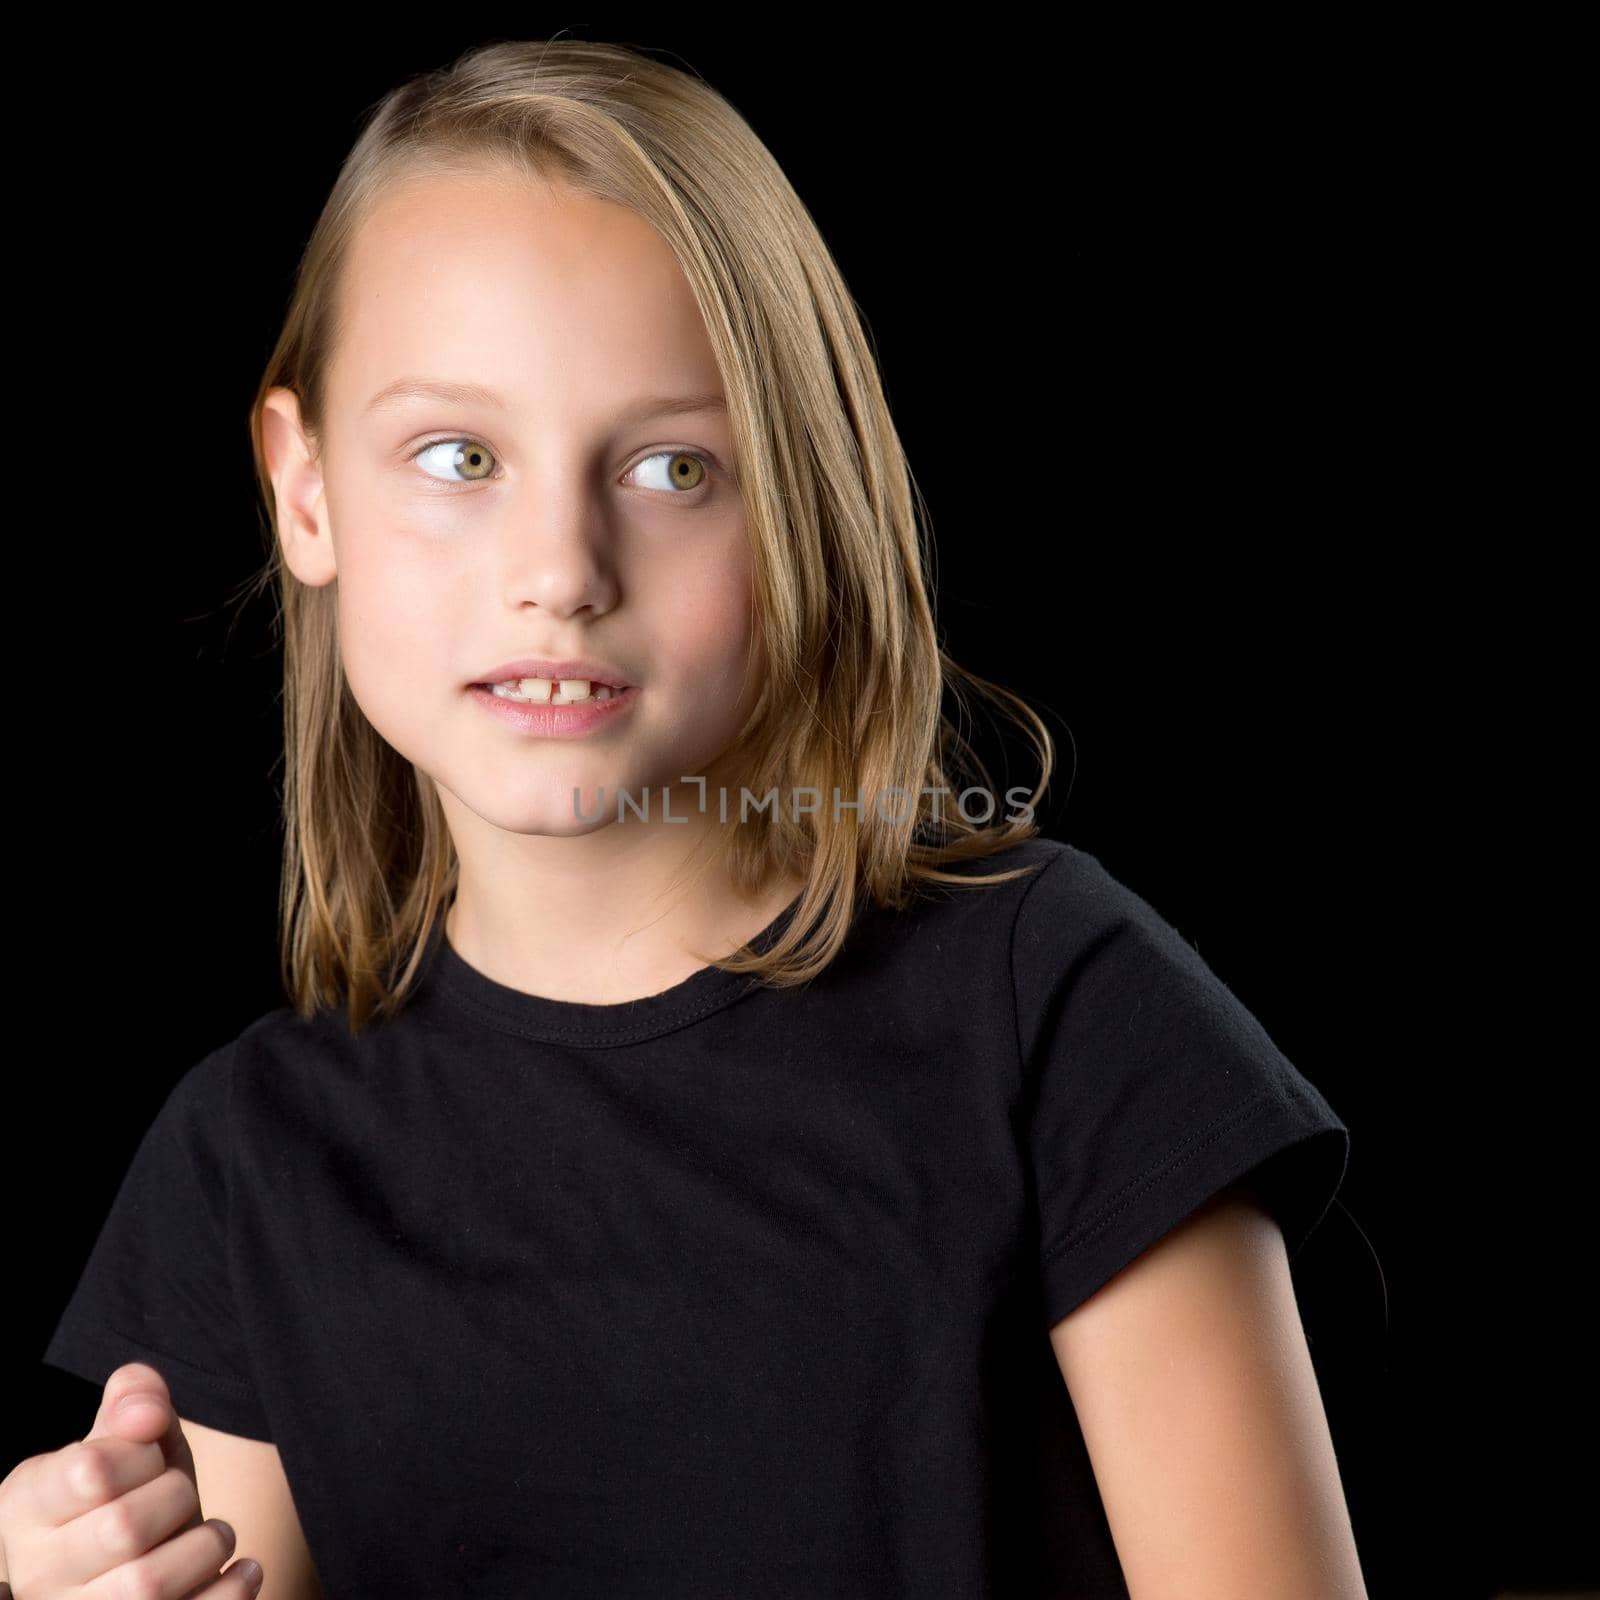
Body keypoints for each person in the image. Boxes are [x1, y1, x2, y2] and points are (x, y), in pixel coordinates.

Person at [5, 38, 1366, 1600]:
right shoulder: (247, 1169)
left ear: (794, 501)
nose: (562, 568)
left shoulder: (1053, 1014)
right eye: (458, 457)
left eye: (669, 466)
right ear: (305, 492)